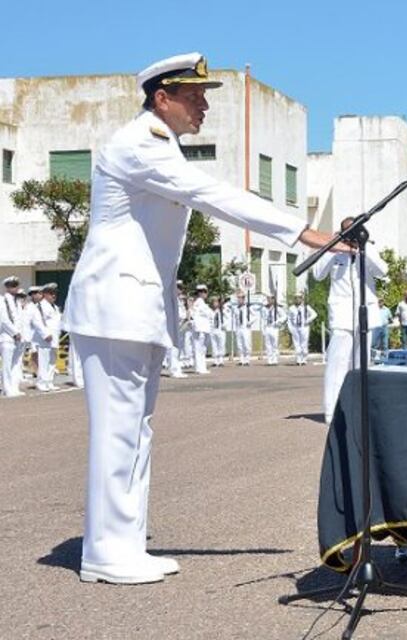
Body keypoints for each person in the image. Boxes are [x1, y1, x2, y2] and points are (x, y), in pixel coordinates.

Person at [61, 52, 333, 585]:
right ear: (162, 98)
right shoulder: (141, 144)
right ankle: (105, 552)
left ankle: (123, 543)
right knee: (119, 432)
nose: (203, 104)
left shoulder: (161, 145)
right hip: (114, 309)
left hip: (132, 309)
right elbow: (212, 195)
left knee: (134, 432)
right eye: (195, 96)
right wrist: (300, 232)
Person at [312, 216, 387, 425]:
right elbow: (317, 274)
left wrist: (363, 247)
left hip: (365, 315)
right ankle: (331, 411)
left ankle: (358, 409)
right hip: (342, 315)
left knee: (362, 364)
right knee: (337, 363)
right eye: (348, 232)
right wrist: (334, 247)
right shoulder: (333, 250)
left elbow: (383, 271)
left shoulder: (368, 249)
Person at [32, 283, 61, 392]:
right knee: (44, 361)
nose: (53, 296)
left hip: (54, 338)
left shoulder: (56, 307)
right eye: (50, 293)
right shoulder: (40, 306)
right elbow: (37, 322)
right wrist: (45, 334)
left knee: (52, 361)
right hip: (45, 339)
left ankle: (49, 381)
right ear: (44, 294)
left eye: (54, 293)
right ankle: (41, 382)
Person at [1, 276, 24, 397]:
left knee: (16, 363)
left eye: (16, 285)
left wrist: (21, 334)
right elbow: (4, 320)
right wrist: (15, 332)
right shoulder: (2, 300)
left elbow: (20, 320)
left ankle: (14, 387)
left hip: (19, 338)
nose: (15, 288)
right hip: (7, 337)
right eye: (12, 285)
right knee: (7, 364)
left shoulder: (17, 302)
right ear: (7, 287)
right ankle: (7, 388)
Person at [287, 294, 317, 365]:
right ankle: (298, 359)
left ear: (301, 299)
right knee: (296, 344)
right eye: (296, 298)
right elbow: (289, 319)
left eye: (299, 298)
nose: (297, 300)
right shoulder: (291, 308)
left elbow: (314, 314)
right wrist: (290, 328)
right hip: (295, 327)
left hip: (304, 327)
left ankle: (304, 359)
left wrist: (308, 320)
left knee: (304, 343)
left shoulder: (306, 307)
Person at [190, 284, 212, 374]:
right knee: (199, 349)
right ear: (201, 293)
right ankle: (199, 368)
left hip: (203, 329)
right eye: (204, 292)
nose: (206, 294)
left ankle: (201, 367)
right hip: (200, 329)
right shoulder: (199, 303)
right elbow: (209, 314)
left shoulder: (201, 303)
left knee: (202, 349)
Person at [233, 292, 257, 366]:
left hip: (245, 328)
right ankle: (241, 359)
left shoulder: (248, 307)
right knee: (239, 345)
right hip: (238, 328)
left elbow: (255, 316)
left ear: (243, 299)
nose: (238, 300)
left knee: (246, 344)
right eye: (238, 298)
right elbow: (235, 319)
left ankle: (247, 360)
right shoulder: (236, 308)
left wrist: (250, 322)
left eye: (240, 298)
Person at [262, 296, 285, 365]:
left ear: (274, 300)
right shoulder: (265, 309)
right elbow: (263, 319)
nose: (269, 300)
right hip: (267, 327)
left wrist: (278, 322)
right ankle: (269, 359)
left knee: (274, 344)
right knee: (268, 345)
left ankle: (275, 359)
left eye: (270, 299)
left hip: (274, 327)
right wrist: (263, 329)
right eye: (268, 299)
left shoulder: (277, 308)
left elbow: (284, 316)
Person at [209, 297, 229, 366]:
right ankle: (215, 360)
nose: (215, 304)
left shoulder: (222, 311)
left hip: (220, 330)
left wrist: (225, 325)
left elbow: (227, 318)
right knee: (214, 345)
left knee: (221, 345)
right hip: (213, 330)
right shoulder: (210, 311)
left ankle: (221, 360)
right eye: (214, 302)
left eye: (216, 302)